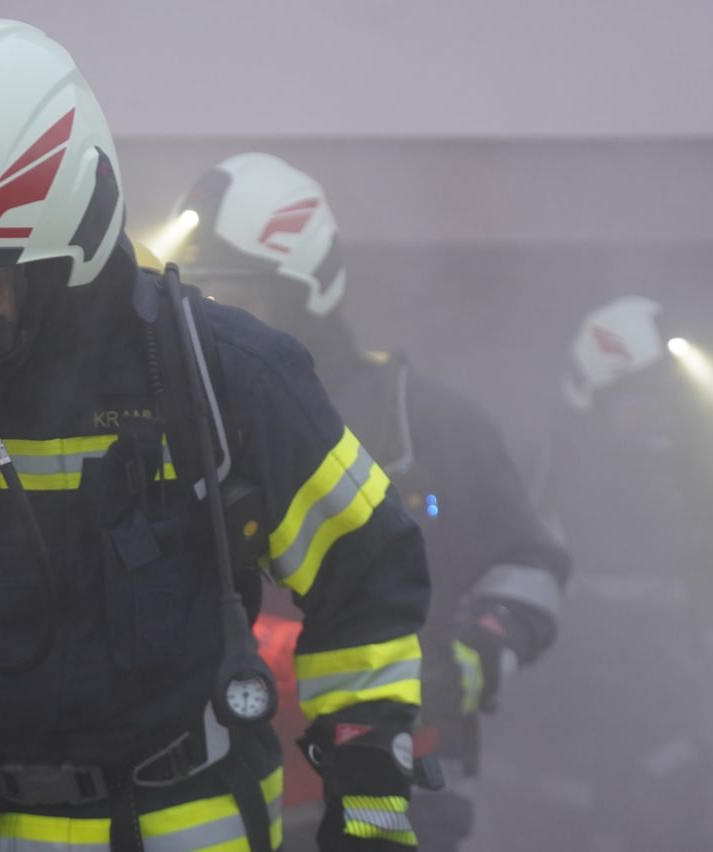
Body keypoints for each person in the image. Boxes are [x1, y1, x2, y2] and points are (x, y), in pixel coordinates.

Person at [0, 22, 430, 852]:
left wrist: (372, 813)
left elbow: (366, 573)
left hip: (184, 824)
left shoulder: (229, 377)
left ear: (69, 257)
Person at [160, 152, 572, 850]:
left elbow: (529, 564)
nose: (216, 325)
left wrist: (460, 665)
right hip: (209, 802)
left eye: (241, 300)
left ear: (308, 294)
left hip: (386, 788)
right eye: (200, 299)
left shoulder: (427, 423)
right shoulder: (167, 425)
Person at [517, 294, 713, 852]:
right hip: (577, 707)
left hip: (666, 706)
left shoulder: (677, 475)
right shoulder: (557, 475)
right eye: (639, 400)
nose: (658, 418)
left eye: (663, 401)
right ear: (597, 392)